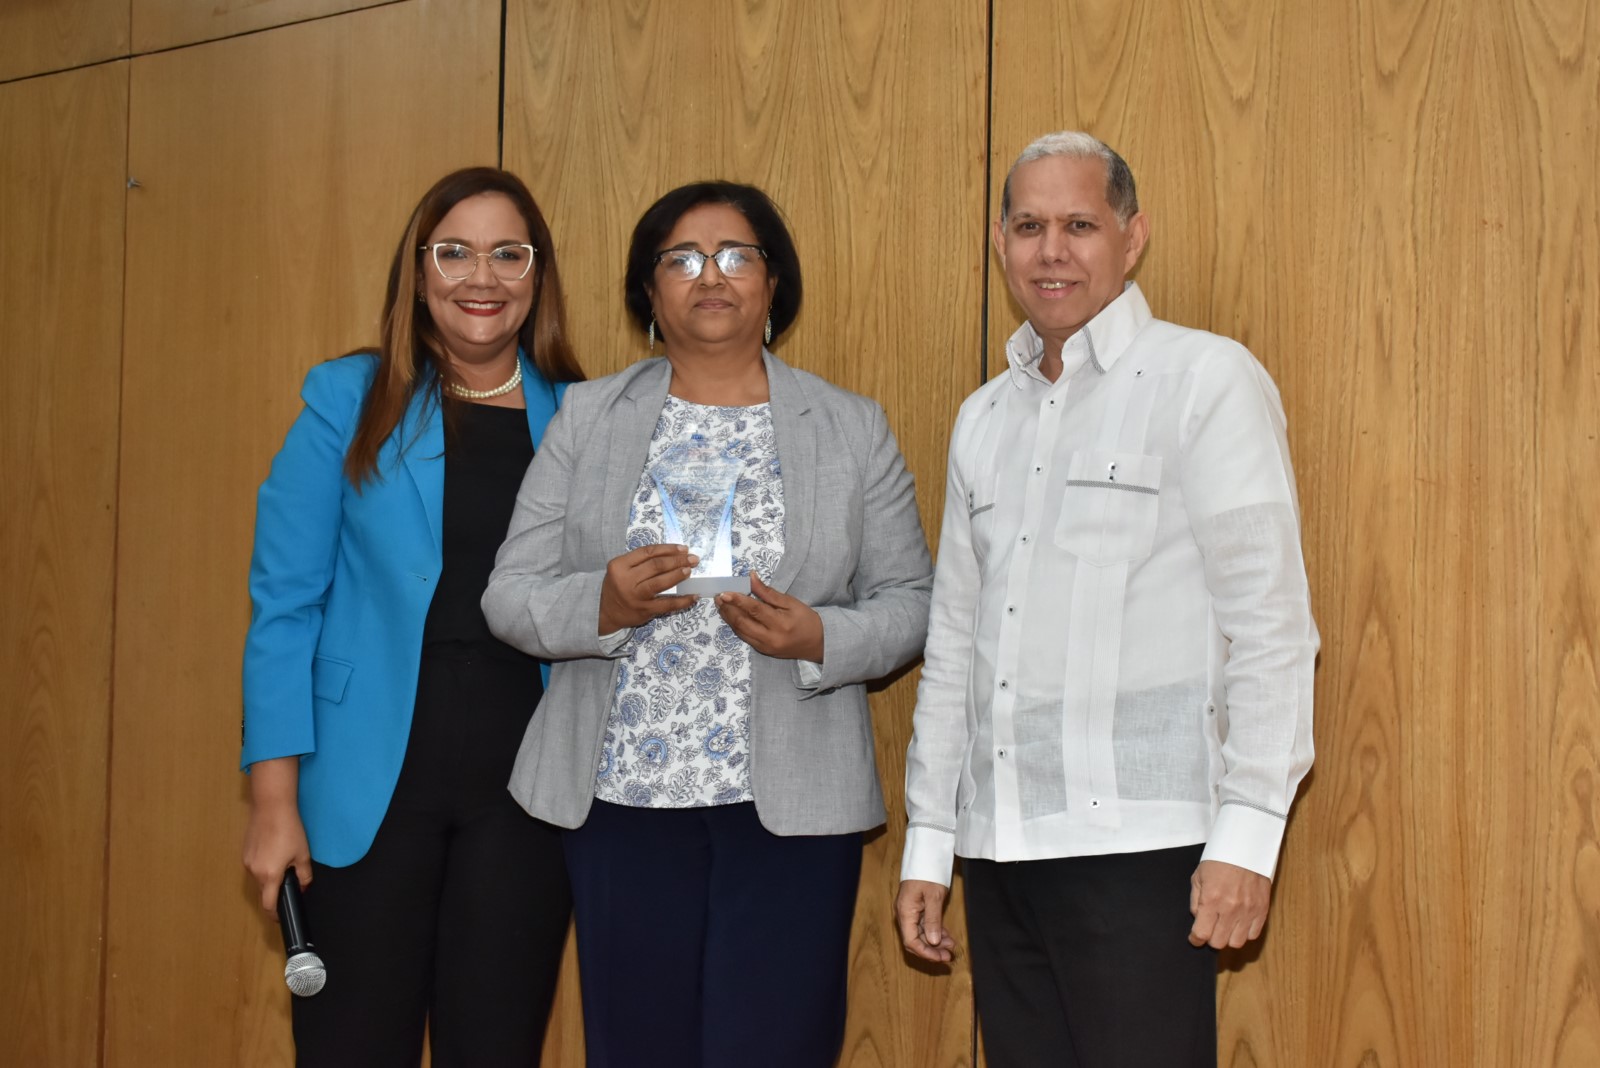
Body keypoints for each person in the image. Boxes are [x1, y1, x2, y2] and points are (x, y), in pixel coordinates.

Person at [482, 180, 932, 1068]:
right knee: (637, 1046)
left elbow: (912, 601)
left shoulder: (851, 427)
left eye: (736, 256)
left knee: (776, 1045)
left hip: (791, 807)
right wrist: (602, 605)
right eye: (682, 259)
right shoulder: (587, 418)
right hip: (620, 798)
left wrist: (820, 639)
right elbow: (510, 594)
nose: (711, 276)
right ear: (649, 292)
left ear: (773, 284)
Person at [896, 131, 1319, 1066]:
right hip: (1000, 852)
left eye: (1080, 225)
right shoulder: (982, 419)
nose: (1052, 251)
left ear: (1133, 238)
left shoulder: (1204, 380)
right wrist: (930, 839)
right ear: (1000, 244)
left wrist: (1249, 836)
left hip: (1145, 853)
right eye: (1029, 227)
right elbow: (955, 644)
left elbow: (1272, 627)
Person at [240, 167, 583, 1067]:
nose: (482, 277)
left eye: (509, 253)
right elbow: (285, 607)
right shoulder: (348, 398)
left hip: (526, 791)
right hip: (365, 785)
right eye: (455, 252)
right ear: (418, 270)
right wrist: (273, 801)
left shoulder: (583, 414)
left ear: (537, 274)